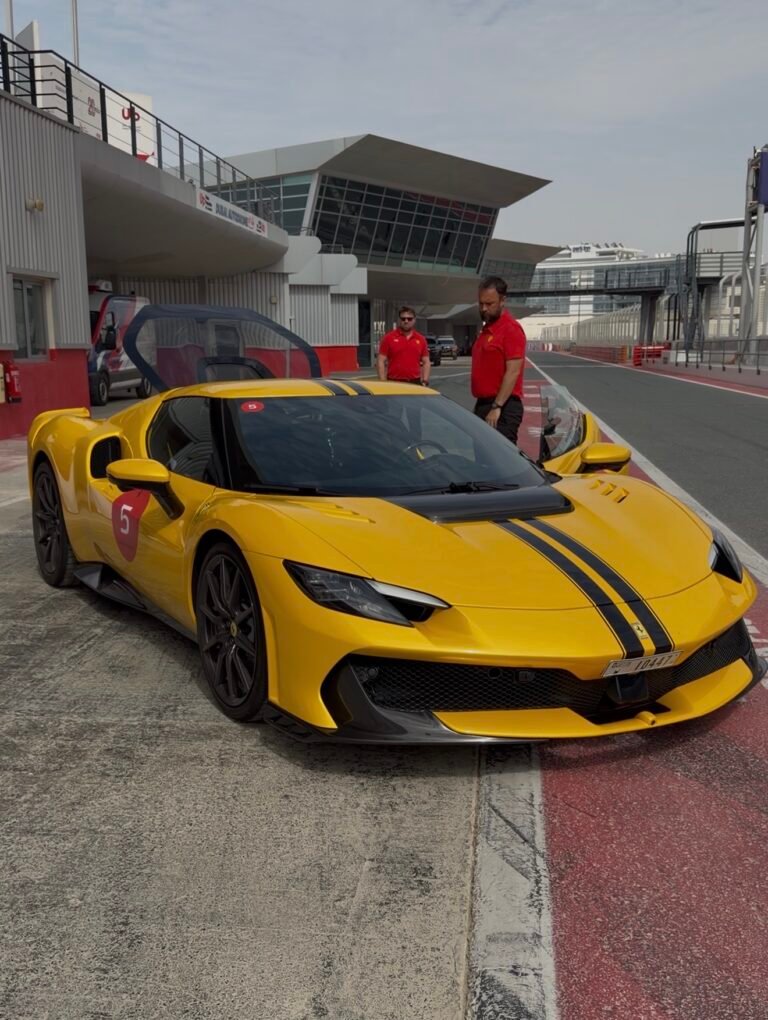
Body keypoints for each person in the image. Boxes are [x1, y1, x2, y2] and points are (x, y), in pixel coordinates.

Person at [470, 276, 526, 444]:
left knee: (501, 461)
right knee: (482, 458)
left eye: (489, 304)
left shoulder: (510, 329)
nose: (484, 309)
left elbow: (513, 371)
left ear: (503, 300)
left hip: (503, 407)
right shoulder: (488, 329)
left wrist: (497, 407)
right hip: (483, 404)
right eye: (481, 304)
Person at [377, 306, 430, 386]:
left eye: (409, 319)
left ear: (414, 320)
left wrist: (425, 380)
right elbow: (380, 360)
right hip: (394, 382)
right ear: (399, 320)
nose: (406, 321)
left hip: (415, 382)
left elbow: (426, 362)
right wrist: (383, 382)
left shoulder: (421, 339)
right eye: (403, 318)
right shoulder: (389, 338)